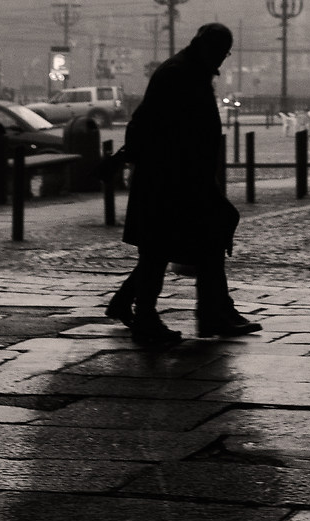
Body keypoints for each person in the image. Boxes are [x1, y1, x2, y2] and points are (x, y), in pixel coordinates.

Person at [106, 21, 261, 347]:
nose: (222, 61)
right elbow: (165, 128)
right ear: (211, 49)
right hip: (172, 177)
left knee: (175, 244)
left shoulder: (187, 69)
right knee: (166, 247)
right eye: (222, 53)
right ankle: (156, 316)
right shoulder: (182, 74)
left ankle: (207, 311)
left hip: (177, 175)